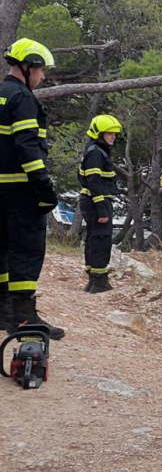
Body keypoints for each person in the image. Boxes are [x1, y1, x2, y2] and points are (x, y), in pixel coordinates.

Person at [0, 39, 63, 339]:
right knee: (26, 251)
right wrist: (43, 187)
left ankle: (3, 312)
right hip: (21, 193)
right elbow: (27, 146)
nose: (43, 77)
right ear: (28, 66)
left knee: (2, 250)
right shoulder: (23, 98)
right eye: (41, 71)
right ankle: (24, 319)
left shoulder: (0, 93)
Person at [79, 115, 122, 293]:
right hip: (97, 201)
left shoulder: (96, 150)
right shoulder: (96, 152)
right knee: (101, 240)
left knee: (94, 238)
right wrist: (102, 209)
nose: (113, 136)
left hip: (94, 201)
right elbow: (94, 182)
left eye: (114, 133)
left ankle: (94, 281)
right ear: (99, 133)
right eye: (110, 133)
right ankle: (99, 282)